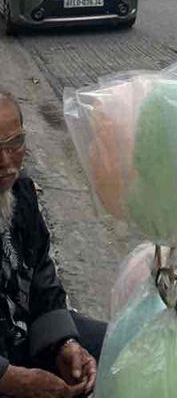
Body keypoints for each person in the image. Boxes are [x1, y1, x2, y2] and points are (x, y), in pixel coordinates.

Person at [0, 93, 103, 397]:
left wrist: (64, 343)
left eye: (14, 143)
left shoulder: (21, 192)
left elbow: (41, 279)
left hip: (22, 334)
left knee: (121, 346)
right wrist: (12, 379)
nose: (5, 161)